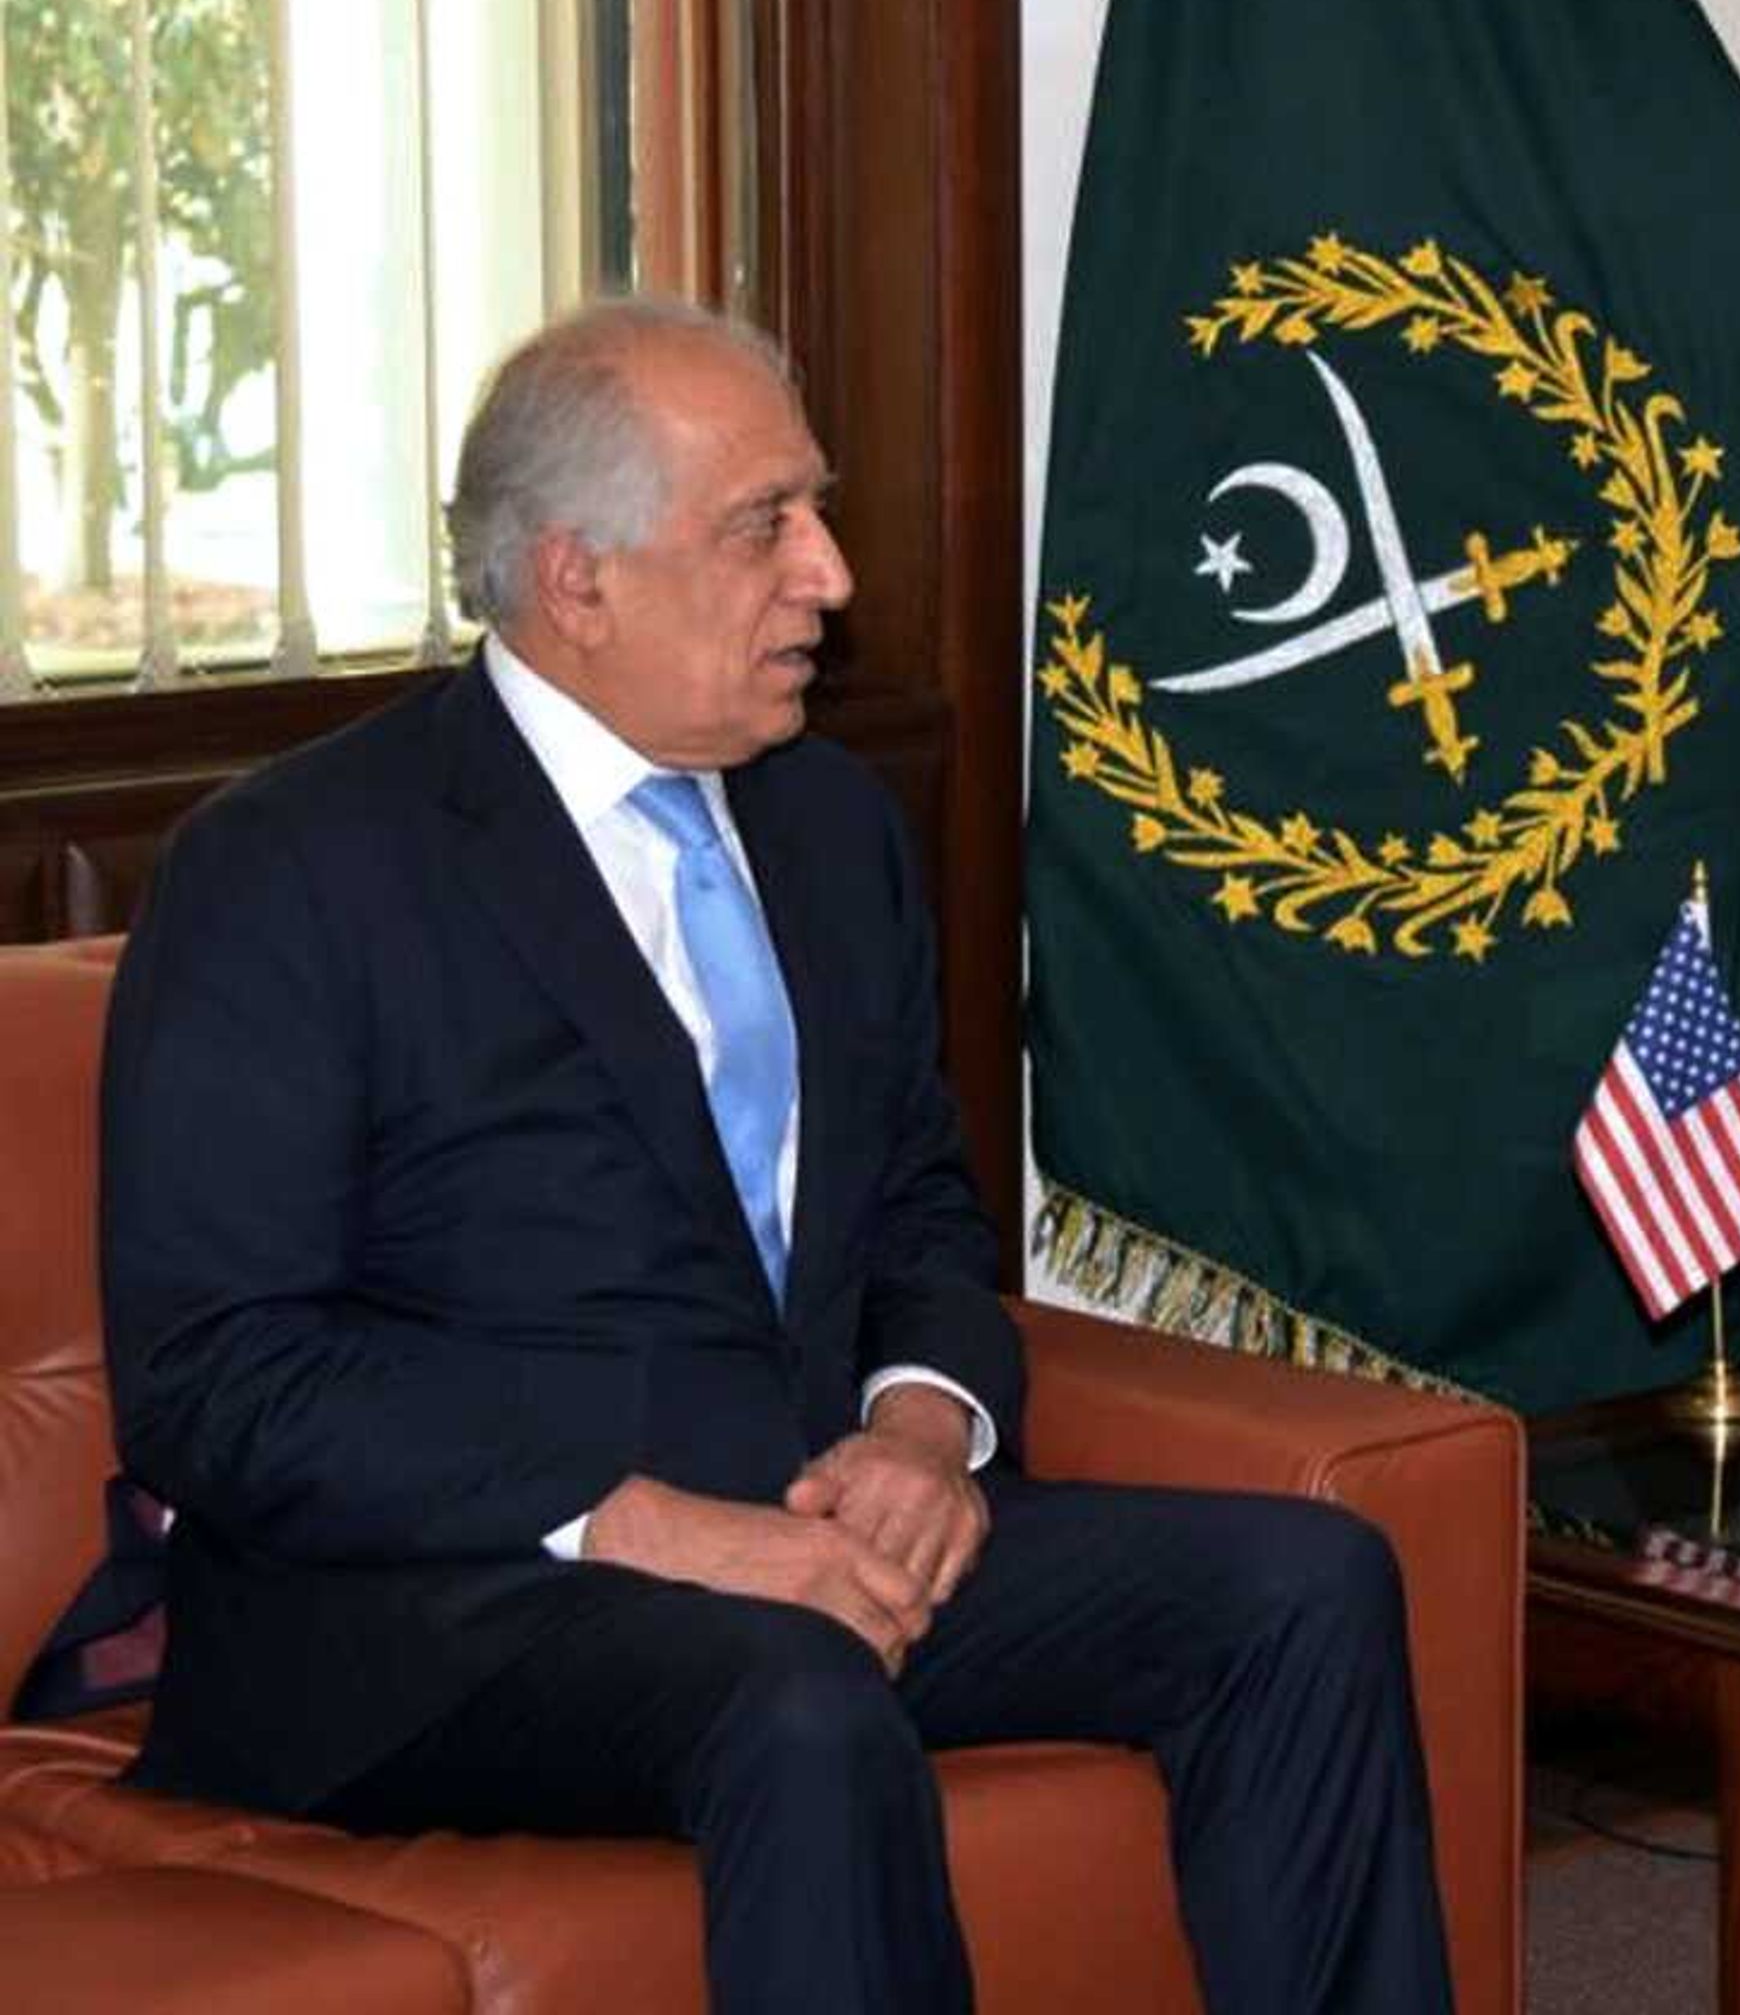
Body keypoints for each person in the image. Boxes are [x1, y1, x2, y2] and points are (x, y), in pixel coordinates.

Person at [100, 299, 1451, 2013]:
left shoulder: (826, 825)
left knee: (1303, 1582)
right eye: (763, 529)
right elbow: (222, 1383)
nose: (827, 574)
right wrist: (657, 1524)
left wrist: (917, 1429)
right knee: (797, 1694)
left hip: (815, 1525)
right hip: (441, 1607)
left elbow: (916, 1212)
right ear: (578, 581)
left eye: (817, 515)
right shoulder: (296, 870)